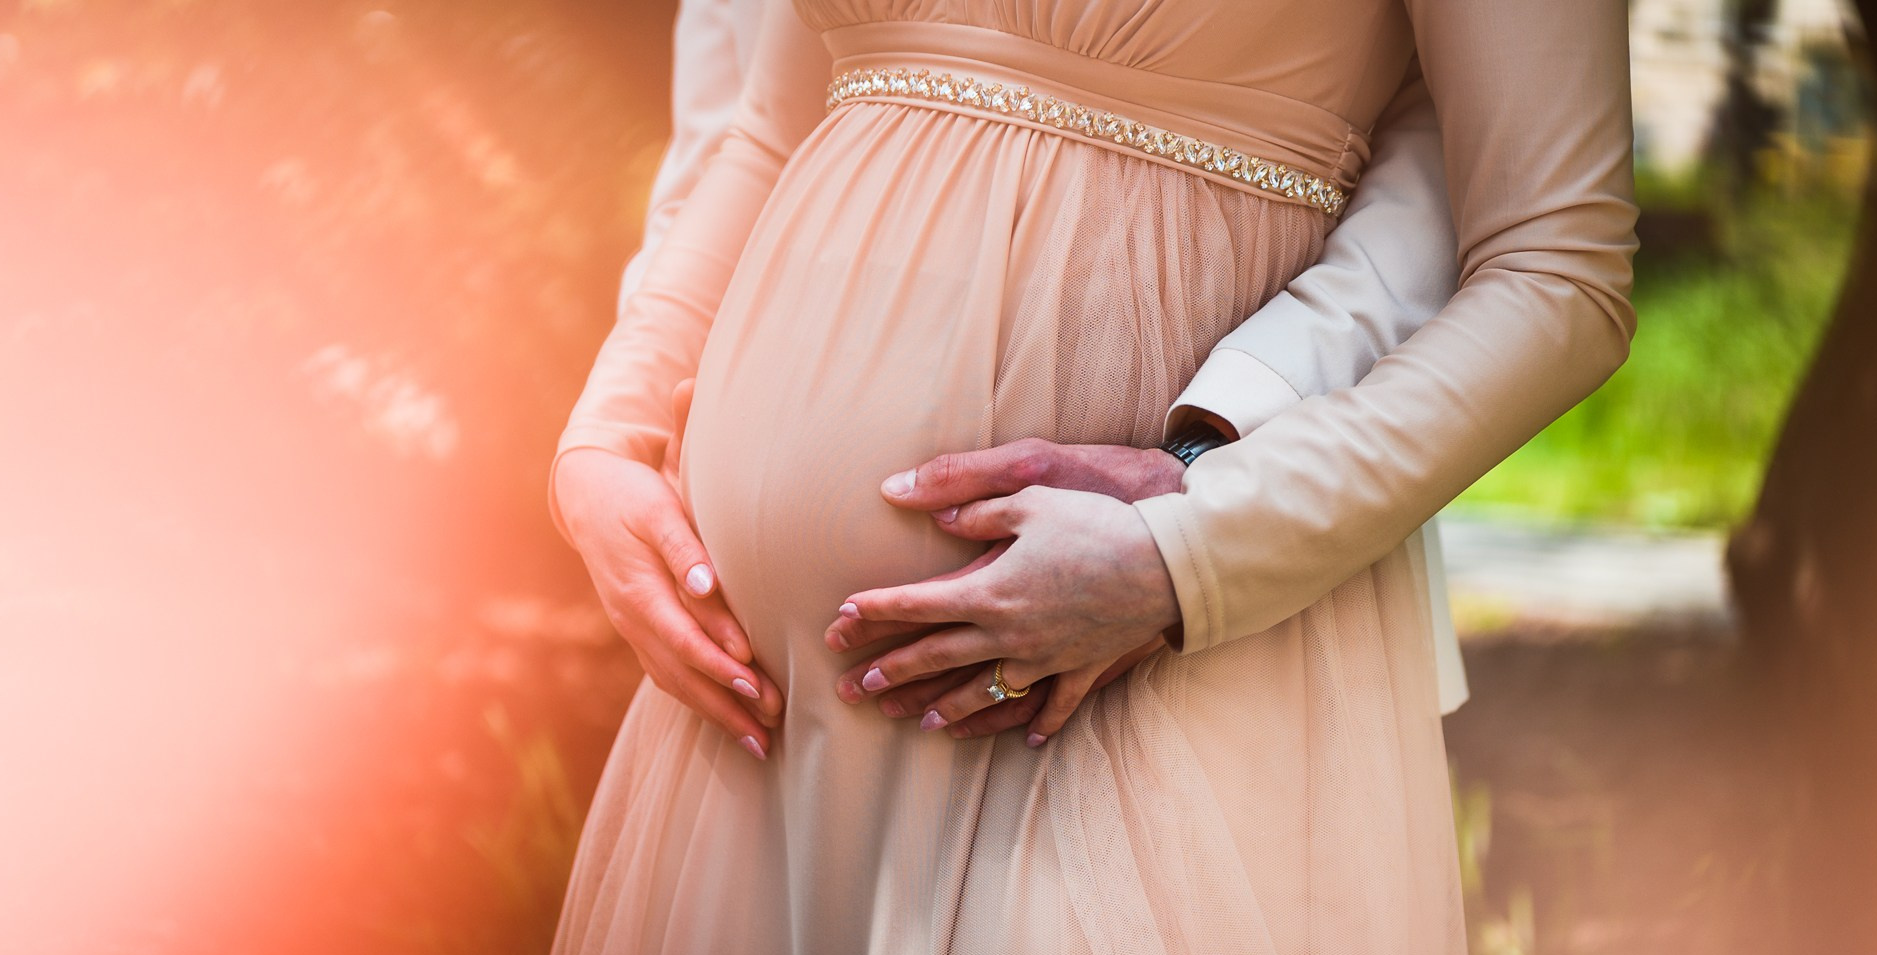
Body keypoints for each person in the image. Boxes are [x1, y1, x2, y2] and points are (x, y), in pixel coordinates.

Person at [489, 2, 1637, 955]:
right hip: (764, 723)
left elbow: (1559, 267)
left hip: (1136, 672)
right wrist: (609, 430)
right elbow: (771, 120)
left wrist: (1187, 554)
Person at [610, 0, 1469, 728]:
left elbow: (1472, 188)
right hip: (745, 686)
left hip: (1125, 634)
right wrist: (611, 428)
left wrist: (1203, 508)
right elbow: (758, 122)